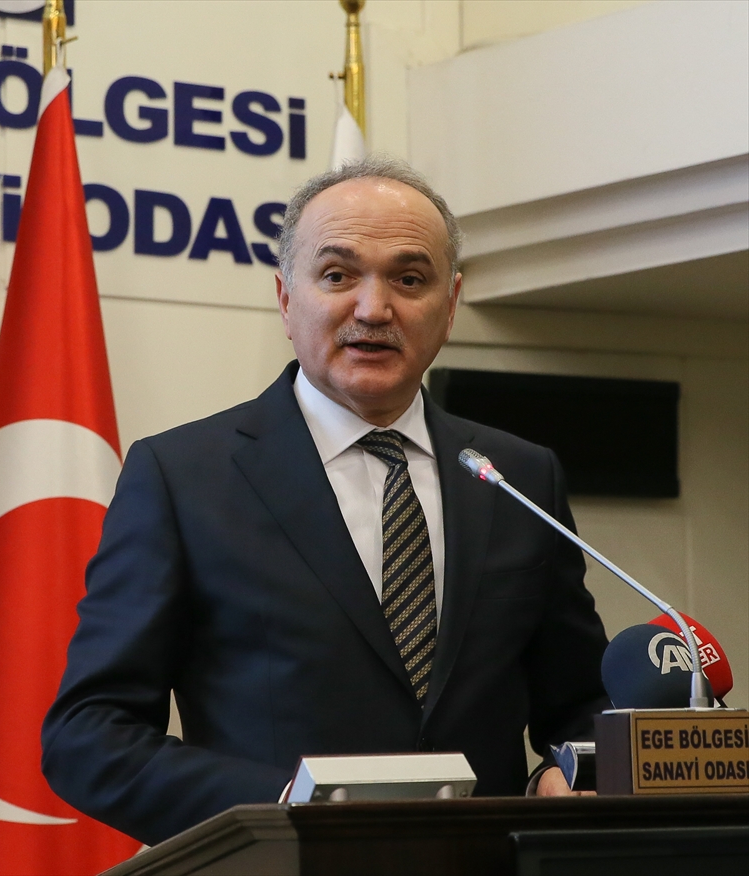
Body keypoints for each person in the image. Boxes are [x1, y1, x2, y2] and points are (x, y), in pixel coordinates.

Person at [41, 157, 609, 846]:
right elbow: (88, 735)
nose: (373, 309)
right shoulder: (183, 477)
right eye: (338, 276)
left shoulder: (517, 476)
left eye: (409, 279)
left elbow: (579, 704)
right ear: (286, 298)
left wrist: (568, 772)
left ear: (451, 304)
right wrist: (284, 807)